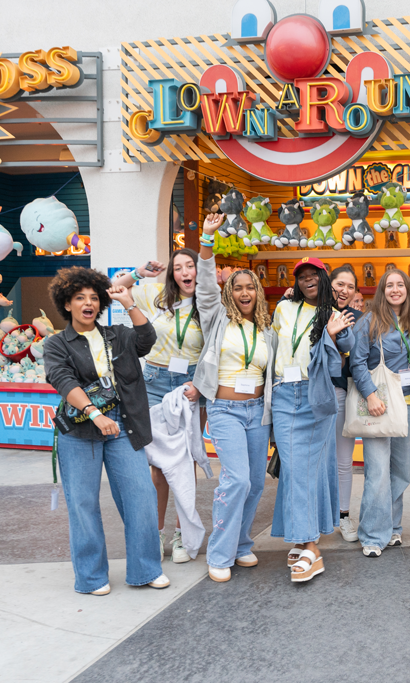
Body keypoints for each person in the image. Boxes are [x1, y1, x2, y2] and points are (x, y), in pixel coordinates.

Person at [44, 267, 169, 595]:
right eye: (79, 298)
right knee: (82, 503)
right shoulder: (57, 344)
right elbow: (62, 379)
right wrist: (94, 413)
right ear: (67, 304)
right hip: (80, 430)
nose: (88, 303)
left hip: (123, 424)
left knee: (141, 496)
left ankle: (146, 569)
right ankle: (91, 577)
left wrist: (129, 303)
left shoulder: (118, 335)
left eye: (93, 298)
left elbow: (147, 340)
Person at [193, 214, 276, 583]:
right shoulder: (217, 318)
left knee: (255, 482)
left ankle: (241, 543)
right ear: (229, 292)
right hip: (224, 409)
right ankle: (219, 552)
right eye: (238, 287)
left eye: (250, 287)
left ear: (257, 292)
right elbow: (204, 286)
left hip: (257, 411)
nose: (244, 293)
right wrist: (207, 240)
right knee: (237, 480)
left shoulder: (266, 329)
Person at [111, 251, 203, 564]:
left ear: (198, 270)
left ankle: (181, 534)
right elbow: (114, 287)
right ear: (172, 274)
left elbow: (215, 349)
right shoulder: (158, 296)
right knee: (158, 464)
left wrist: (201, 384)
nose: (185, 272)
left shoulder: (208, 304)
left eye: (190, 266)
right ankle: (156, 532)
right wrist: (139, 272)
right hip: (153, 383)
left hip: (190, 385)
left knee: (187, 459)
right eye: (178, 268)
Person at [271, 257, 355, 582]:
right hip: (283, 393)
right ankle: (300, 536)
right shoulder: (283, 308)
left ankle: (310, 546)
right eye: (302, 276)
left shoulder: (333, 314)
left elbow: (341, 358)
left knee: (305, 470)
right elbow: (273, 347)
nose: (308, 280)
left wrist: (332, 335)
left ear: (323, 279)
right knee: (293, 470)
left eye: (314, 275)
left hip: (315, 394)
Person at [349, 269, 410, 557]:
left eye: (400, 284)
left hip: (407, 403)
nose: (395, 289)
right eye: (389, 285)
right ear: (382, 290)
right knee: (377, 471)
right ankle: (372, 535)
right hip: (379, 403)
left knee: (400, 471)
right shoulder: (370, 321)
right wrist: (371, 396)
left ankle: (393, 527)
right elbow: (357, 363)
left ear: (407, 289)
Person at [328, 266, 362, 543]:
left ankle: (344, 515)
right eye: (340, 284)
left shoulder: (358, 318)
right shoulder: (312, 312)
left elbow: (360, 360)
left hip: (341, 392)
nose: (344, 290)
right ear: (329, 283)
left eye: (350, 286)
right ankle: (316, 518)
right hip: (311, 393)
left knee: (343, 460)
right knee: (314, 460)